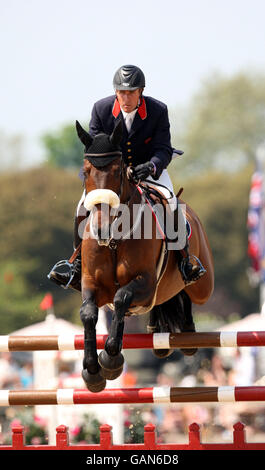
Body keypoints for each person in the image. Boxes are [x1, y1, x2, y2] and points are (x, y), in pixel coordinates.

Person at [48, 64, 205, 290]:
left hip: (149, 172)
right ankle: (76, 263)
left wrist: (151, 166)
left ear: (141, 91)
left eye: (131, 92)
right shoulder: (101, 109)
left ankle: (184, 261)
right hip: (111, 177)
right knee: (82, 205)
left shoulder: (158, 110)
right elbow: (95, 149)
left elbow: (163, 148)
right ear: (116, 92)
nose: (126, 97)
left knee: (170, 201)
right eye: (121, 92)